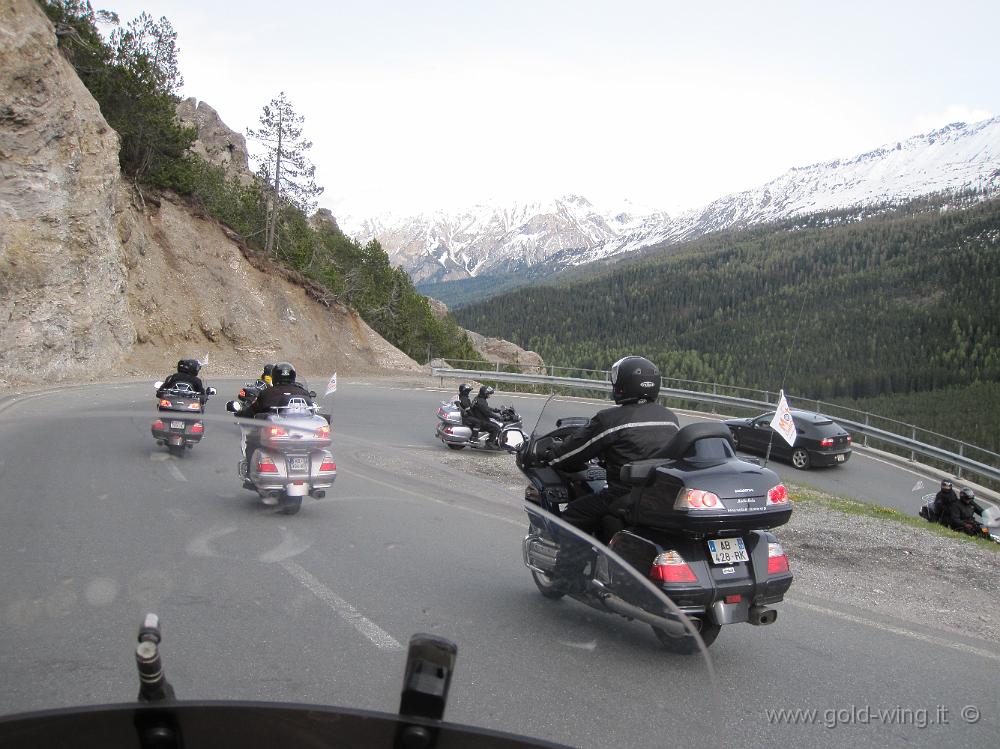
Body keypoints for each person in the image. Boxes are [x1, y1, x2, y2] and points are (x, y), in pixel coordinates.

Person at [545, 355, 680, 539]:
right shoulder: (670, 418)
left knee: (574, 513)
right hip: (657, 495)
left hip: (624, 494)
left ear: (623, 384)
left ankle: (567, 567)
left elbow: (571, 453)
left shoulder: (611, 420)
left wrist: (552, 453)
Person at [245, 361, 313, 418]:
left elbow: (252, 410)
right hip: (301, 427)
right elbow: (311, 411)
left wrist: (240, 413)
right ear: (293, 376)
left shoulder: (266, 393)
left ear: (274, 376)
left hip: (274, 429)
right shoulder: (303, 393)